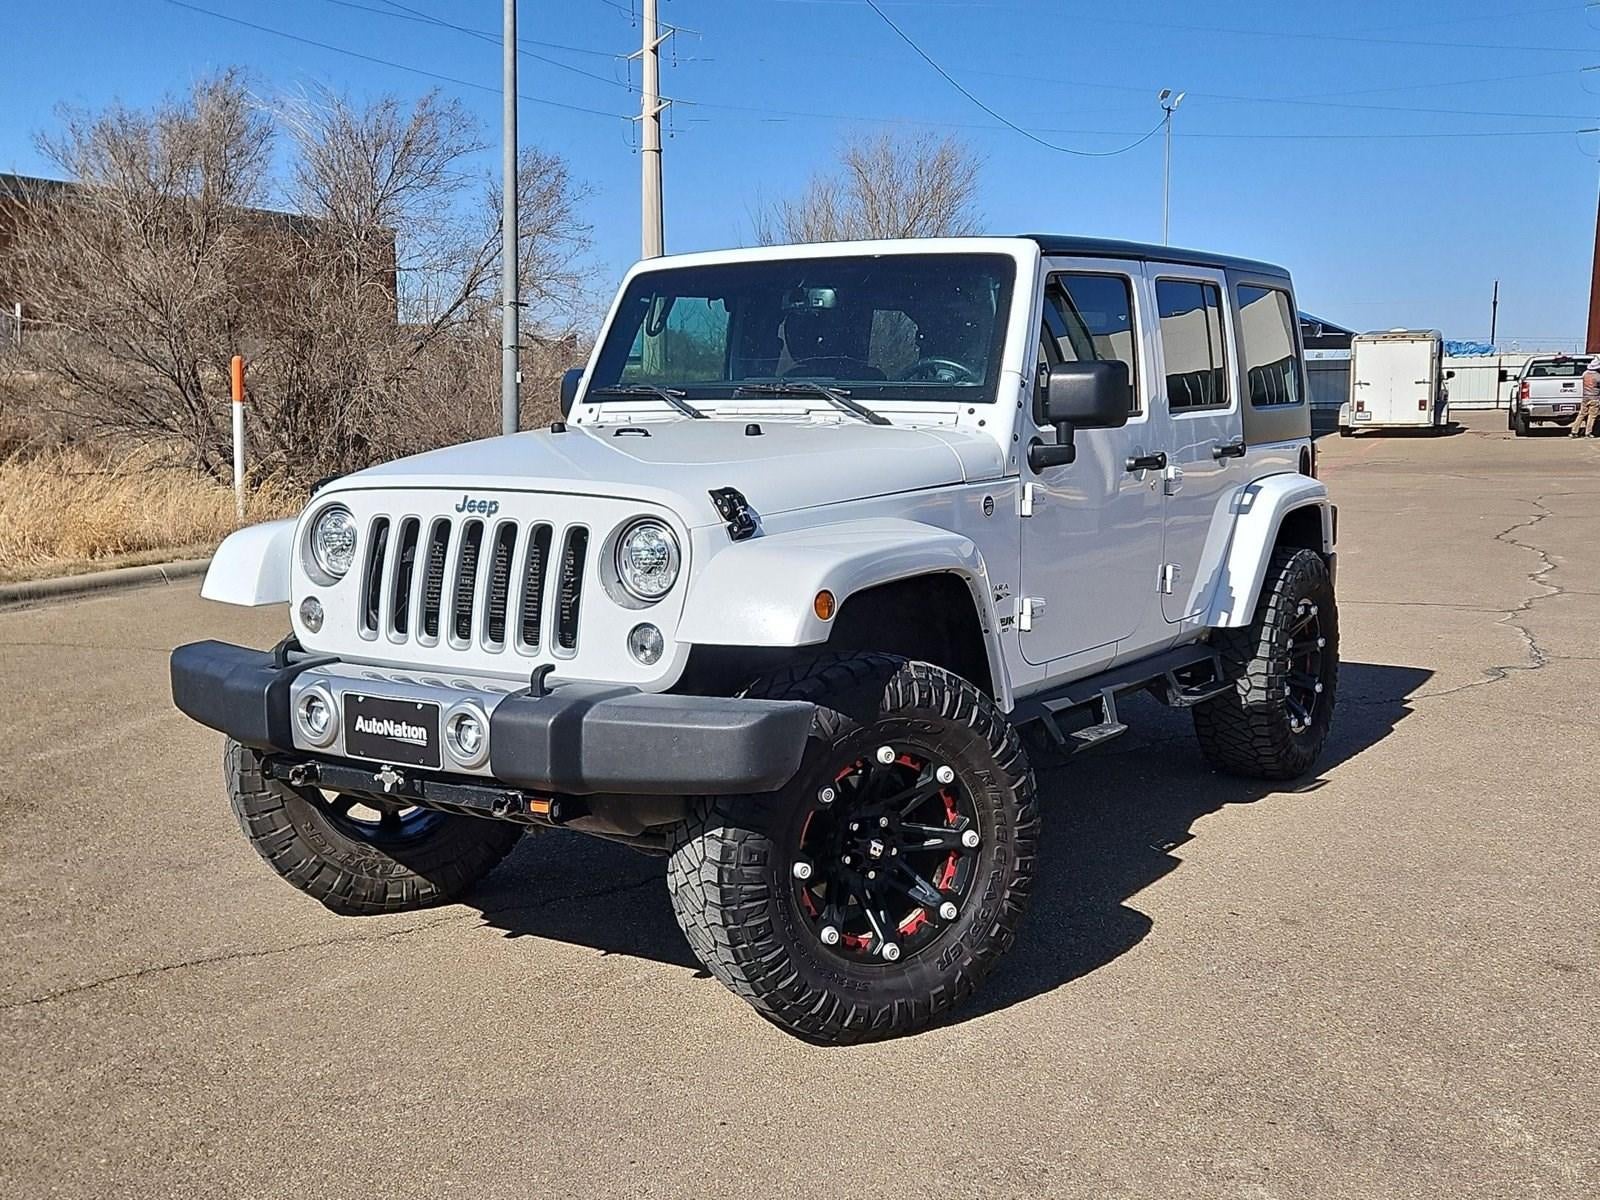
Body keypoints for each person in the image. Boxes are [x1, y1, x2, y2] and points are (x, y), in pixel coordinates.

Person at [1572, 355, 1600, 438]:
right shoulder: (1598, 376)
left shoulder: (1585, 374)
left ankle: (1574, 431)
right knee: (1592, 416)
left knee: (1581, 414)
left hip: (1585, 397)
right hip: (1595, 398)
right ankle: (1588, 432)